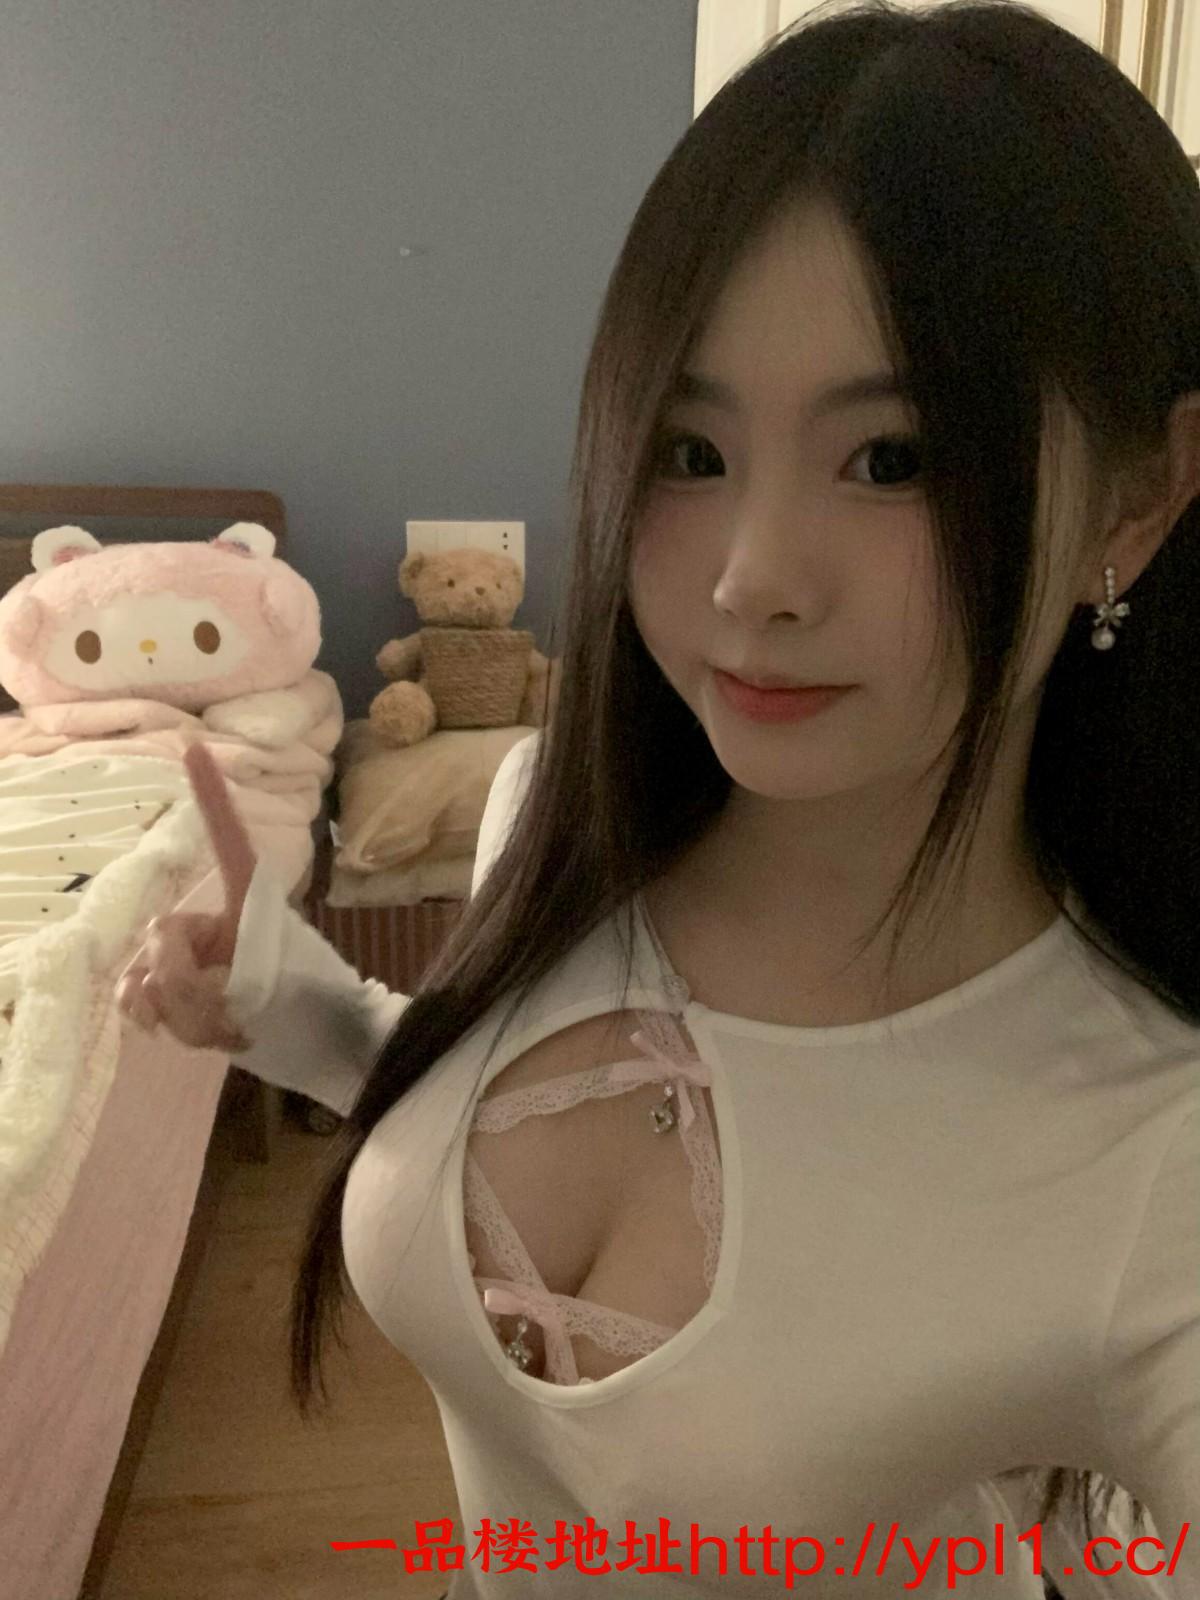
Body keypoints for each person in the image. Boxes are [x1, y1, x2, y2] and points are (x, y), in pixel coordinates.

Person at [117, 3, 1199, 1596]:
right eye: (690, 452)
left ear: (1140, 495)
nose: (751, 580)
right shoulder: (551, 815)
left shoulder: (1153, 1156)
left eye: (893, 459)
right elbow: (497, 1101)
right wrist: (292, 1007)